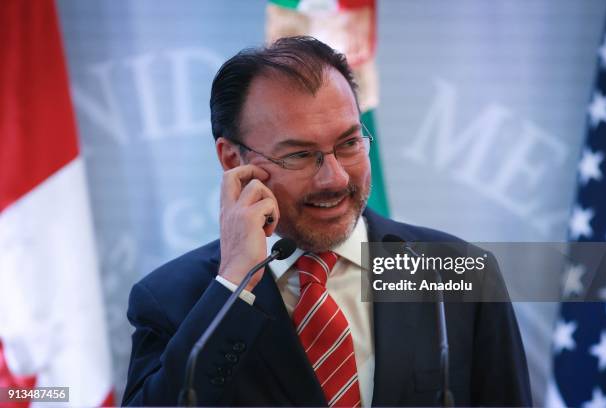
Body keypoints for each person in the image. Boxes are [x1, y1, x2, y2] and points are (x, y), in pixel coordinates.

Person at [122, 36, 532, 407]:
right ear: (234, 160)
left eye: (349, 143)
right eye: (299, 154)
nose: (334, 178)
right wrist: (235, 284)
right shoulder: (173, 301)